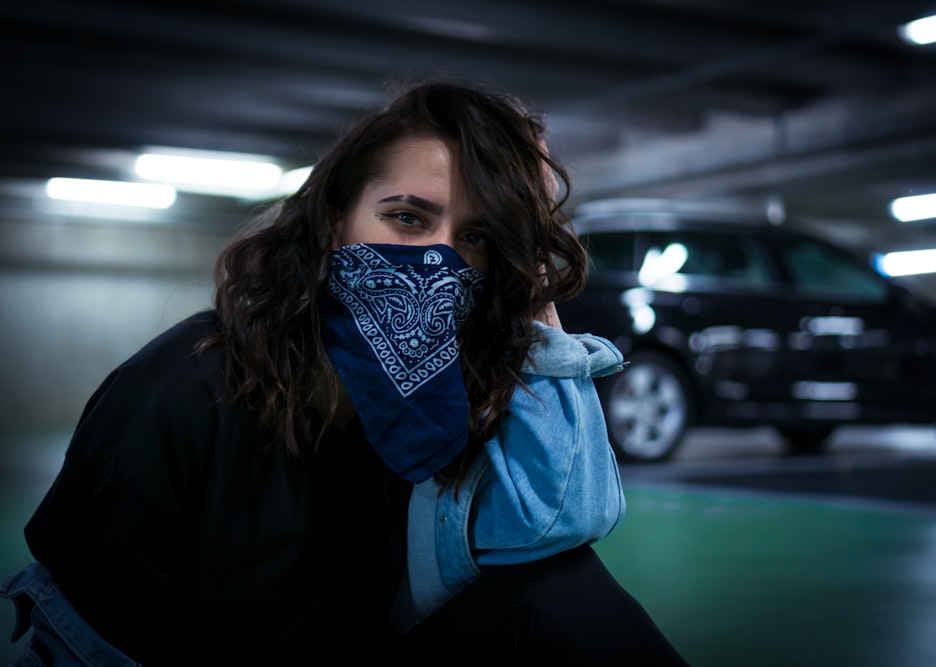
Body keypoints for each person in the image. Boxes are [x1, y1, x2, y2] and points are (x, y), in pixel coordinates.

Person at [0, 78, 689, 665]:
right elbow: (79, 641)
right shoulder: (184, 387)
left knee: (566, 591)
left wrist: (533, 275)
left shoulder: (450, 389)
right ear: (336, 224)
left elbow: (566, 518)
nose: (439, 258)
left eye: (476, 236)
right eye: (407, 218)